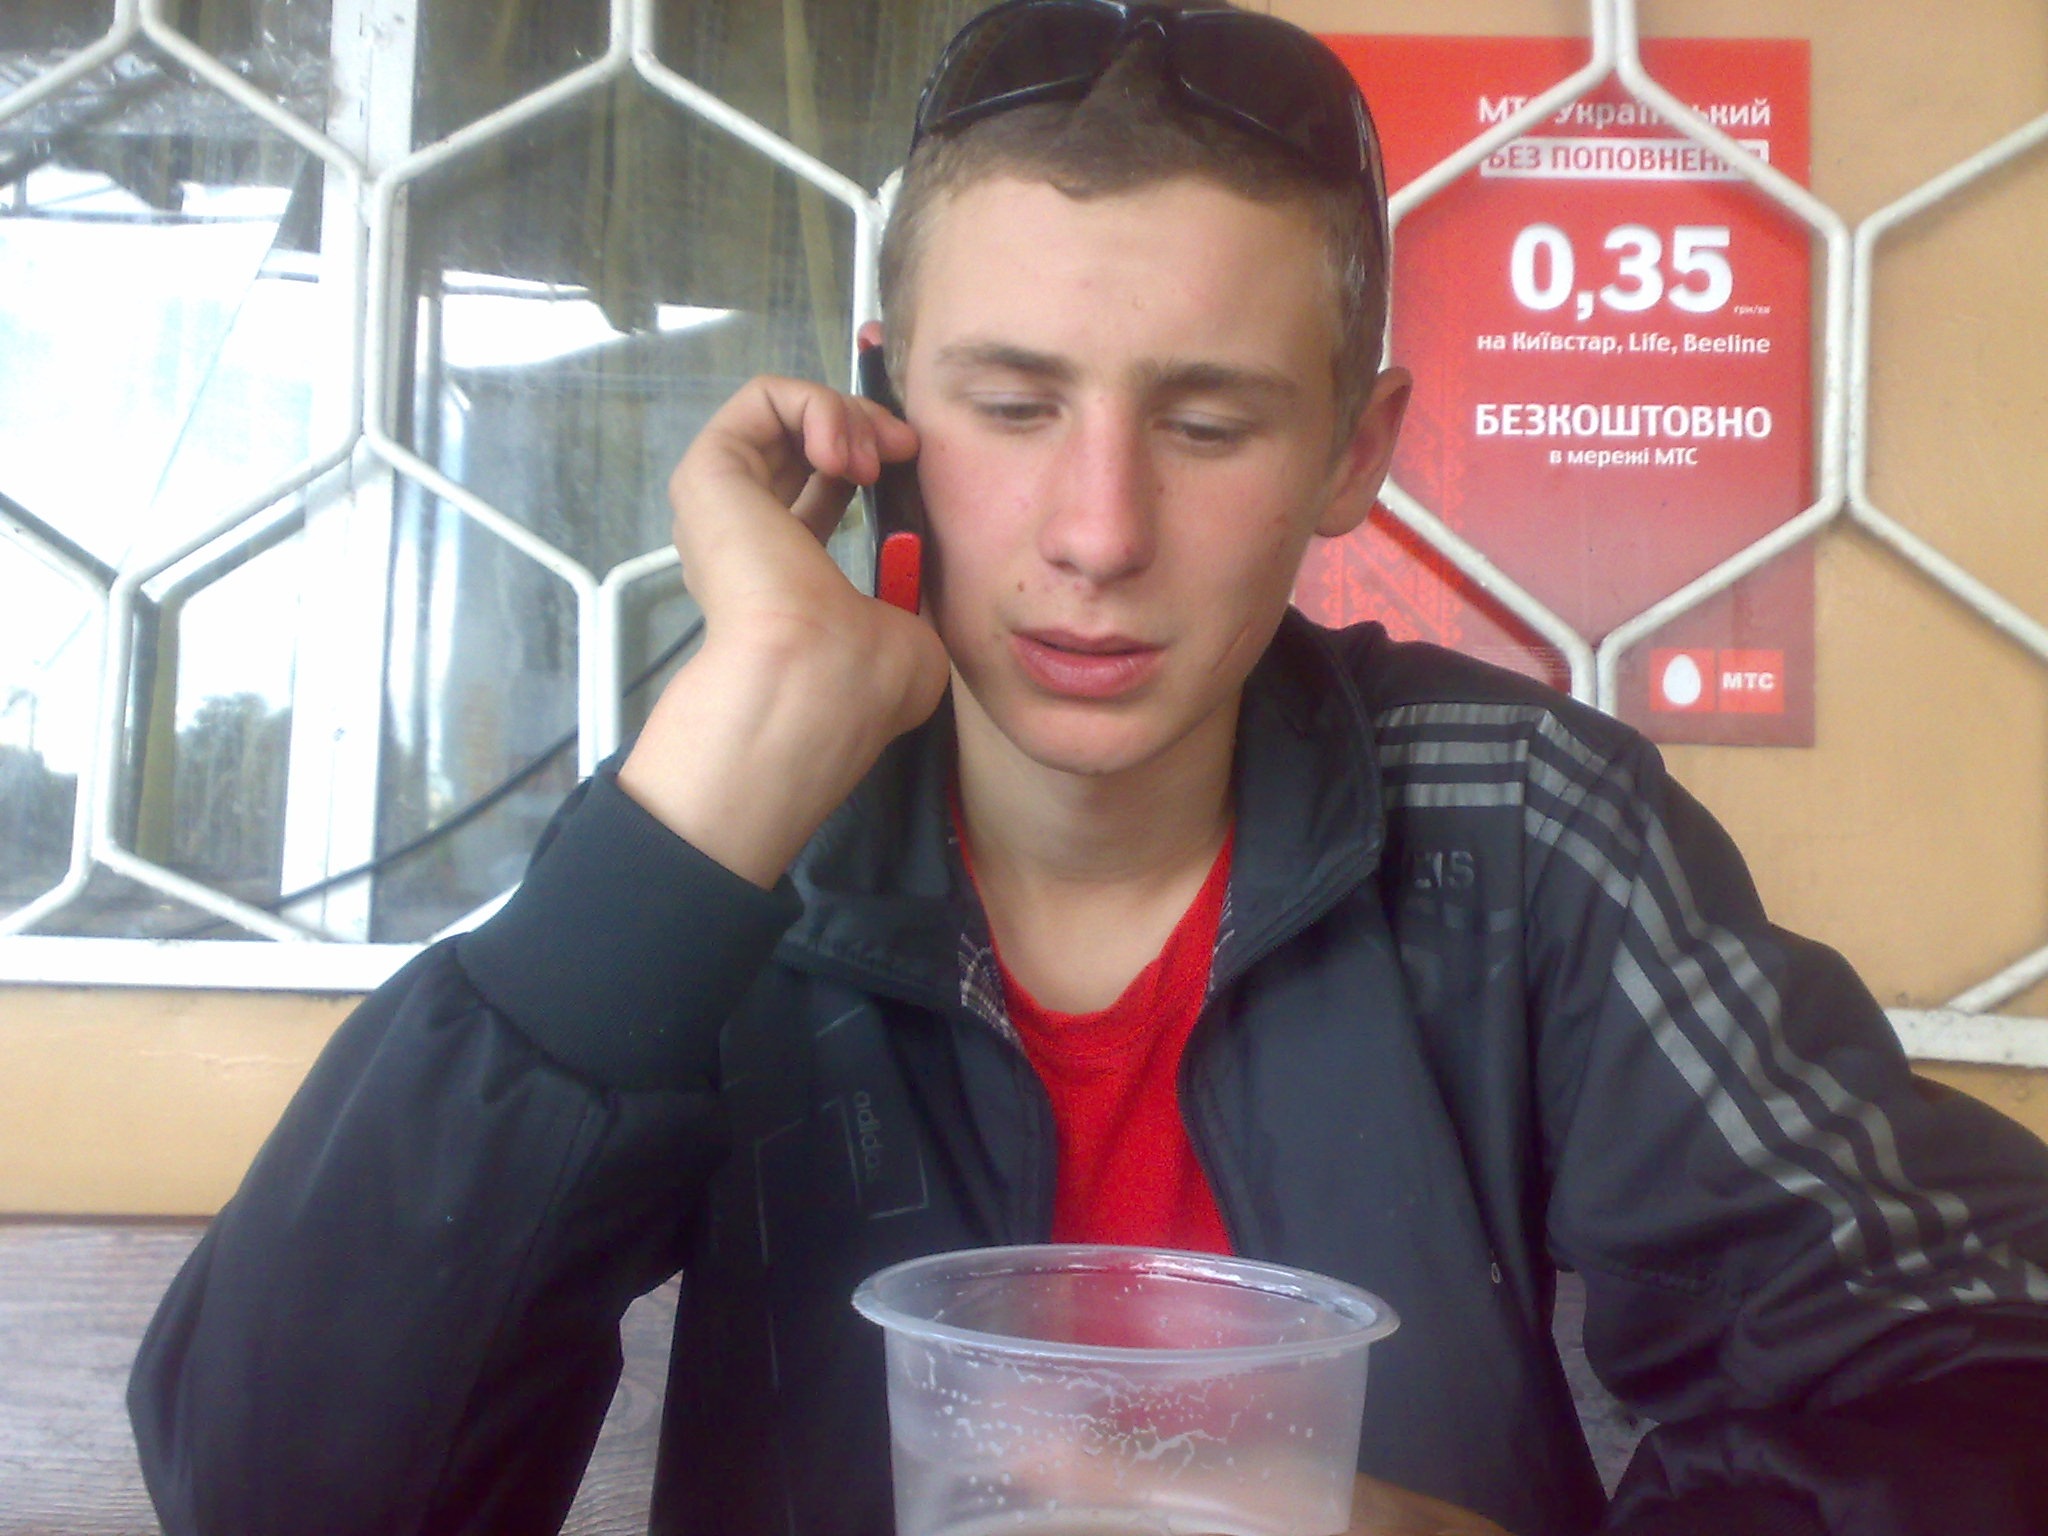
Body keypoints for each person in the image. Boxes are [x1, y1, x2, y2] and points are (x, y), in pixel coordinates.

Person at [129, 4, 2048, 1534]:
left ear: (1354, 453)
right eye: (1010, 403)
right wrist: (711, 776)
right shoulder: (735, 839)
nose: (1098, 532)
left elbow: (1967, 1371)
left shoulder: (1527, 825)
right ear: (883, 402)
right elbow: (283, 1496)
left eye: (1209, 423)